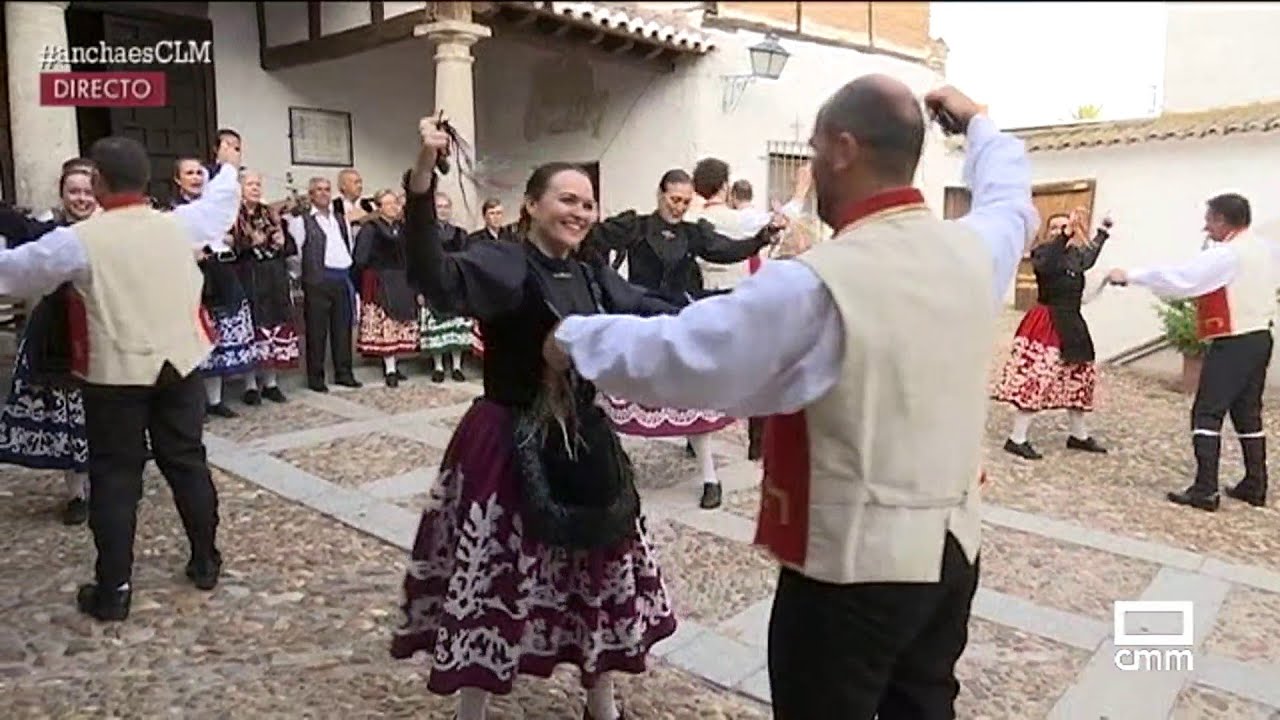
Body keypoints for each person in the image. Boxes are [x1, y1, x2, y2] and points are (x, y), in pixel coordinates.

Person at [545, 80, 1037, 719]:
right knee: (923, 703)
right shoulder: (976, 248)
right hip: (952, 550)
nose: (810, 166)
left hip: (853, 569)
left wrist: (571, 337)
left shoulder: (820, 283)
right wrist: (980, 124)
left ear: (843, 148)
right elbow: (1010, 198)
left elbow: (687, 353)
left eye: (811, 149)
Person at [390, 117, 680, 720]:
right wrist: (421, 179)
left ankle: (601, 698)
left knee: (595, 573)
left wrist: (737, 316)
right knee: (493, 575)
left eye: (587, 202)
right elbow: (432, 274)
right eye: (566, 199)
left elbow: (651, 310)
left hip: (583, 443)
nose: (579, 211)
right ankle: (473, 705)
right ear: (531, 204)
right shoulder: (503, 263)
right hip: (508, 442)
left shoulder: (595, 275)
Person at [0, 135, 241, 621]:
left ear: (101, 183)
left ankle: (115, 589)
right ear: (148, 180)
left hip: (115, 376)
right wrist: (229, 166)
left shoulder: (79, 241)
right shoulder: (180, 224)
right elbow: (220, 205)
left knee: (115, 478)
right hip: (180, 365)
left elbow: (14, 274)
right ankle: (205, 561)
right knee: (188, 462)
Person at [581, 167, 780, 509]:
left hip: (682, 317)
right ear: (660, 195)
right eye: (674, 200)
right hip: (642, 319)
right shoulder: (636, 227)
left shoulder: (693, 232)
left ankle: (709, 477)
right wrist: (613, 287)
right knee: (626, 397)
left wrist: (761, 238)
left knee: (692, 397)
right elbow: (591, 241)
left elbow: (724, 249)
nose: (679, 207)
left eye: (686, 201)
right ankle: (613, 470)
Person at [1106, 193, 1277, 511]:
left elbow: (1184, 279)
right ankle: (1255, 483)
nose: (1206, 226)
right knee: (1247, 411)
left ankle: (1205, 489)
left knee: (1207, 412)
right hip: (1259, 336)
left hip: (1233, 339)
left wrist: (1131, 276)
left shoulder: (1227, 255)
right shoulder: (1265, 249)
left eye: (1210, 219)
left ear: (1223, 221)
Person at [0, 161, 98, 524]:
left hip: (101, 331)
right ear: (62, 194)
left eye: (88, 191)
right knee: (67, 414)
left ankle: (106, 485)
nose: (81, 198)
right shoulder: (49, 229)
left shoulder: (110, 229)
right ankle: (76, 493)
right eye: (74, 191)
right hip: (58, 332)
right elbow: (17, 229)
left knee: (103, 414)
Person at [992, 208, 1113, 459]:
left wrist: (1103, 231)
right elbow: (1047, 263)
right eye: (1055, 228)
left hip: (1072, 323)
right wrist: (1064, 235)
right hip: (1047, 323)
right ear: (1048, 233)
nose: (1061, 231)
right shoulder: (1043, 254)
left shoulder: (1074, 256)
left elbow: (1088, 258)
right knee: (1038, 377)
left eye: (1064, 226)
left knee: (1078, 377)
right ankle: (1017, 438)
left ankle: (1078, 435)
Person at [286, 177, 363, 392]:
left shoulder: (340, 220)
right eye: (318, 190)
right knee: (316, 331)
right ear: (310, 195)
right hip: (317, 279)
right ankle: (316, 377)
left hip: (341, 277)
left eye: (326, 189)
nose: (323, 193)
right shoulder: (301, 221)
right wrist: (303, 277)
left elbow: (348, 244)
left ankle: (344, 373)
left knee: (342, 329)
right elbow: (296, 254)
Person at [232, 170, 299, 404]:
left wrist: (280, 238)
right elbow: (231, 243)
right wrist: (250, 241)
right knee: (253, 327)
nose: (255, 188)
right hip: (248, 274)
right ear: (240, 187)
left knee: (274, 325)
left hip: (273, 274)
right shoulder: (233, 213)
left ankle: (271, 383)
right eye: (250, 184)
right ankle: (250, 386)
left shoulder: (268, 212)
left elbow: (285, 243)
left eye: (257, 184)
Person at [353, 189, 419, 386]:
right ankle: (389, 369)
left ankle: (394, 364)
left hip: (400, 280)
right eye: (388, 203)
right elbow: (360, 258)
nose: (393, 207)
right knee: (385, 326)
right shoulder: (370, 228)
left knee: (398, 325)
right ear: (378, 207)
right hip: (379, 279)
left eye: (395, 203)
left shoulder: (402, 228)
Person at [418, 191, 475, 382]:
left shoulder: (460, 233)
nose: (443, 210)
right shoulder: (424, 233)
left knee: (456, 326)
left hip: (455, 285)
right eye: (439, 207)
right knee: (436, 327)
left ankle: (457, 366)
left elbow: (468, 260)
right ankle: (438, 366)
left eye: (446, 206)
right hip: (432, 284)